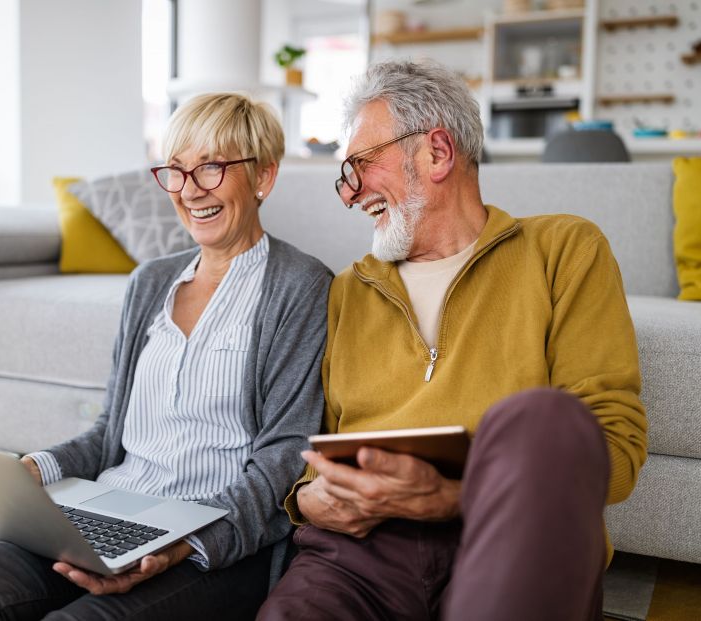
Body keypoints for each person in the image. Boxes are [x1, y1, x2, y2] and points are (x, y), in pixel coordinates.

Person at [0, 92, 332, 620]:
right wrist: (32, 472)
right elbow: (111, 433)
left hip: (212, 546)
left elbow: (283, 460)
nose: (189, 190)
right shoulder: (151, 281)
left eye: (212, 168)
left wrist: (182, 543)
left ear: (263, 177)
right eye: (175, 171)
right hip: (109, 510)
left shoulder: (302, 286)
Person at [258, 60, 648, 621]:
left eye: (360, 166)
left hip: (509, 535)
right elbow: (311, 451)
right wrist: (310, 500)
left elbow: (614, 453)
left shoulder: (564, 250)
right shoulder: (348, 289)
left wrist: (452, 498)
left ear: (437, 152)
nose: (350, 194)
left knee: (545, 420)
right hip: (359, 553)